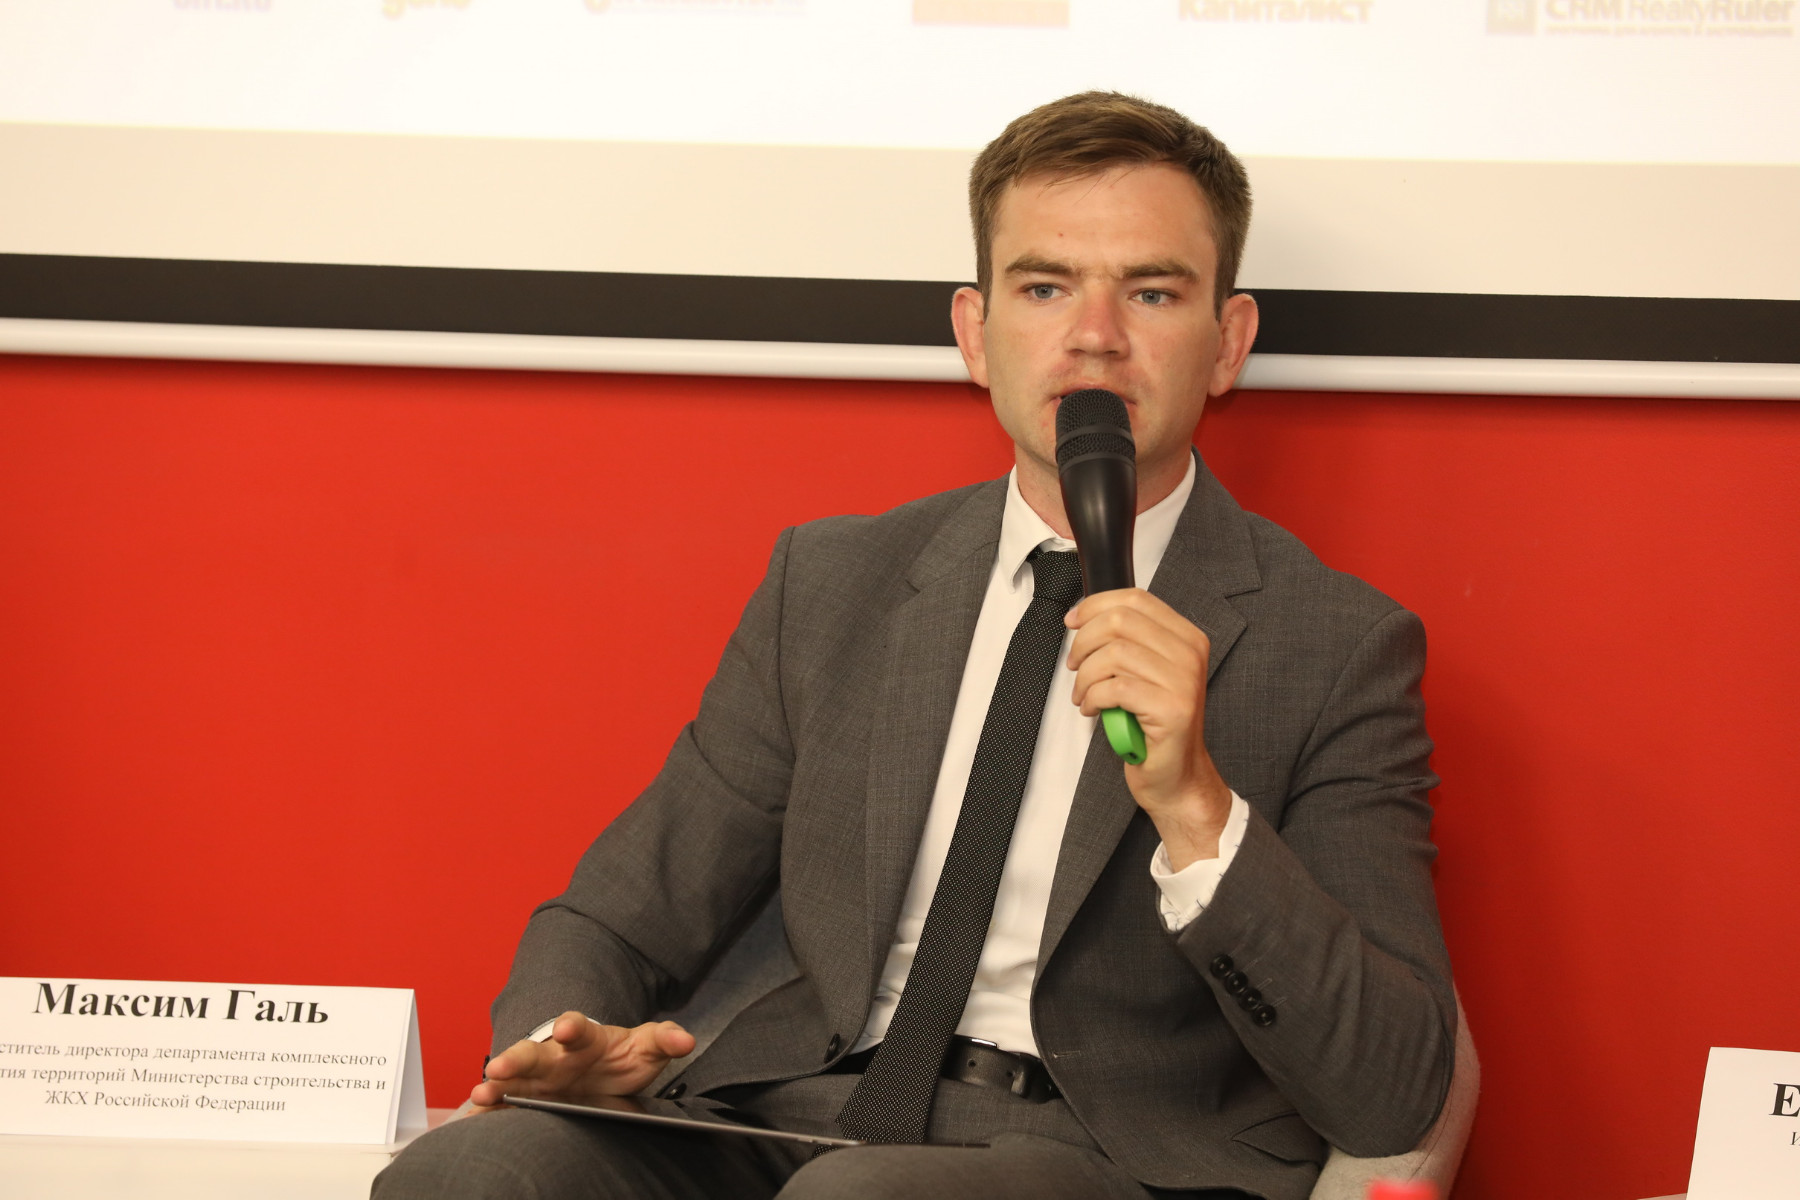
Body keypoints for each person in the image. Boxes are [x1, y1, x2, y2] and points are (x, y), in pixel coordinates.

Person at [374, 90, 1456, 1200]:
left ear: (1227, 344)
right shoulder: (831, 584)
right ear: (975, 335)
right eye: (1044, 287)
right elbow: (619, 912)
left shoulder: (1336, 647)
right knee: (474, 1174)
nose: (1095, 334)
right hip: (790, 1121)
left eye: (1151, 291)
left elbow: (1394, 1090)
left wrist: (1198, 811)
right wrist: (557, 1051)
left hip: (1091, 1158)